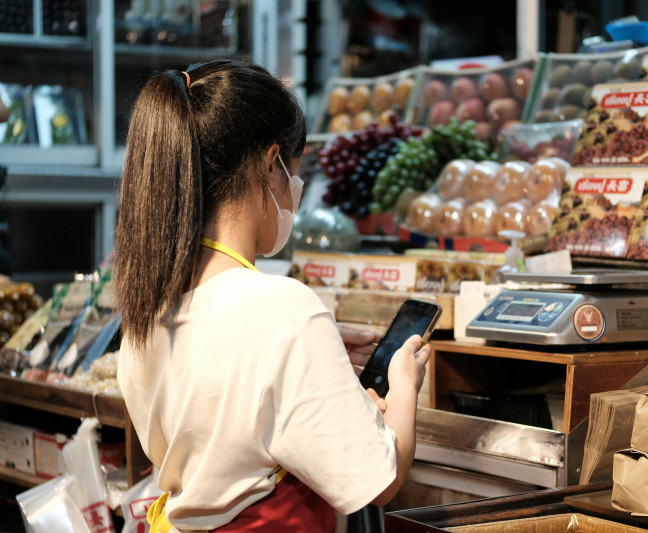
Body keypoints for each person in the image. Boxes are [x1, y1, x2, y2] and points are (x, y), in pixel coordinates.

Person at [114, 59, 430, 532]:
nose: (296, 190)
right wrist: (405, 385)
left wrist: (312, 350)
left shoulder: (148, 304)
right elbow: (379, 482)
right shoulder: (286, 312)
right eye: (295, 171)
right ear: (270, 163)